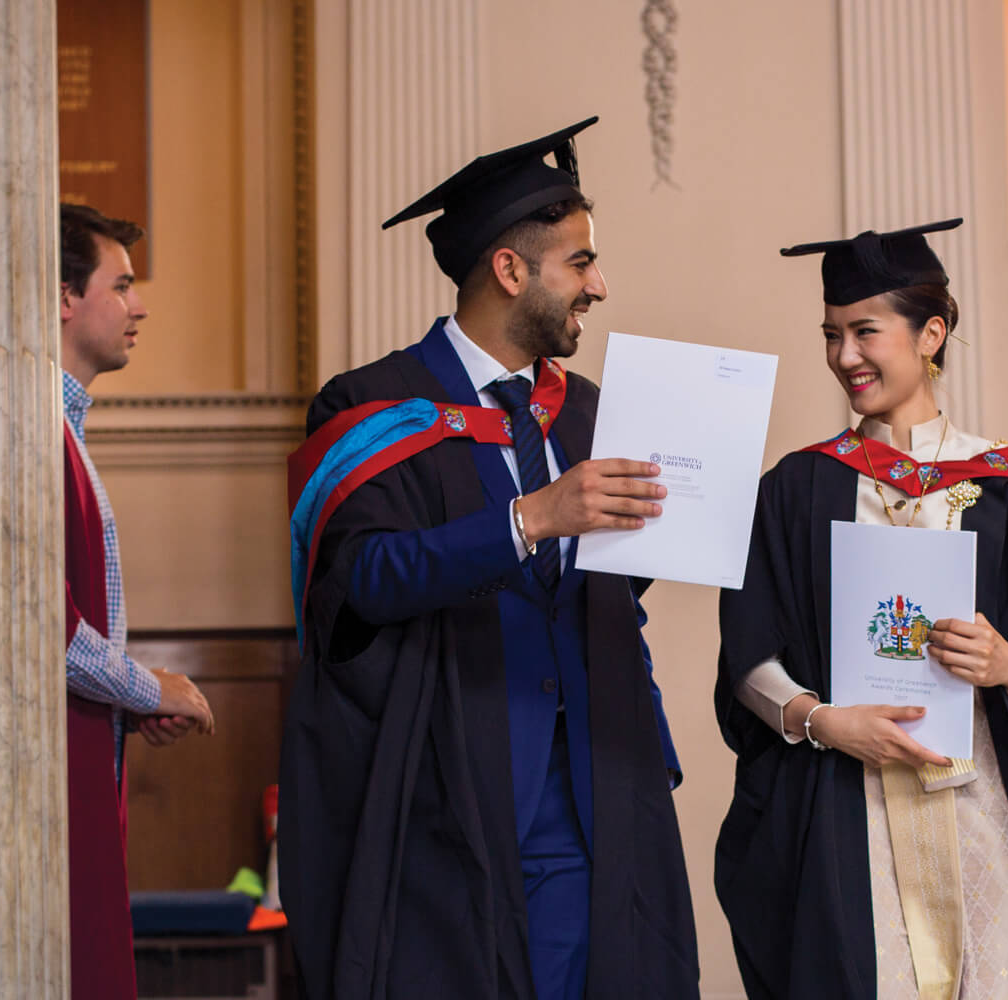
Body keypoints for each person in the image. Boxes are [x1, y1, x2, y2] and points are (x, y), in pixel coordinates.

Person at [280, 117, 698, 1000]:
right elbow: (362, 583)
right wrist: (530, 517)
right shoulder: (371, 405)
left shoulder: (587, 411)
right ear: (511, 271)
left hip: (595, 792)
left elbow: (609, 589)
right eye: (580, 263)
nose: (600, 285)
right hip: (450, 800)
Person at [714, 219, 1008, 999]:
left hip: (982, 806)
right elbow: (748, 657)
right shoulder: (797, 491)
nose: (845, 357)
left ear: (930, 332)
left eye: (865, 332)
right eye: (832, 335)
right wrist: (819, 718)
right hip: (848, 810)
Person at [59, 203, 217, 1000]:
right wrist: (150, 688)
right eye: (121, 286)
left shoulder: (61, 427)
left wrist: (128, 697)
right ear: (63, 297)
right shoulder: (29, 429)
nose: (140, 304)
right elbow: (43, 632)